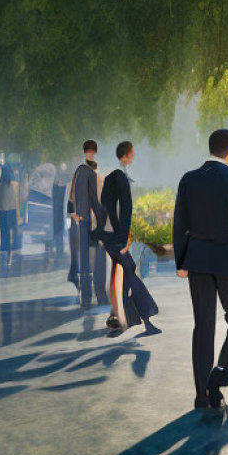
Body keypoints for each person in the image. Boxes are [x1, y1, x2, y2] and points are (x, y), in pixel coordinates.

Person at [172, 128, 228, 410]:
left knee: (203, 326)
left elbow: (179, 222)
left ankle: (201, 396)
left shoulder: (188, 179)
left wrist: (181, 262)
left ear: (210, 148)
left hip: (196, 260)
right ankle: (217, 381)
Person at [99, 141, 160, 335]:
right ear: (127, 154)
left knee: (123, 275)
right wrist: (124, 238)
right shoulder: (120, 176)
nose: (134, 155)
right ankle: (144, 318)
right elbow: (124, 209)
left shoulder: (113, 175)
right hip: (119, 237)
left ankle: (118, 316)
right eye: (133, 152)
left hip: (112, 235)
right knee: (129, 274)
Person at [68, 141, 107, 308]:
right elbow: (75, 198)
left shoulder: (87, 172)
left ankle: (91, 297)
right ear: (85, 153)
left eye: (92, 151)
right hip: (88, 221)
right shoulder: (88, 172)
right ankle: (91, 297)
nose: (90, 154)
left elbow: (72, 198)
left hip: (88, 221)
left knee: (91, 259)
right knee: (91, 259)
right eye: (88, 151)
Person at [0, 164, 19, 254]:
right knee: (11, 228)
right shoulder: (12, 185)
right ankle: (12, 245)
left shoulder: (1, 185)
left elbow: (0, 199)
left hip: (3, 210)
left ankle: (5, 246)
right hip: (12, 209)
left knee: (4, 229)